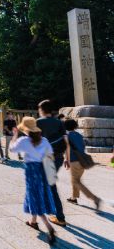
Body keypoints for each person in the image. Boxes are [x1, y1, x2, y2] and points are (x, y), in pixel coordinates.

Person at [9, 117, 56, 245]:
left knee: (34, 196)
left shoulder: (24, 140)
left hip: (30, 171)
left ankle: (49, 228)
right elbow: (50, 154)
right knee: (35, 194)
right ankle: (33, 221)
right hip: (41, 170)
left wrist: (14, 135)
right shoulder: (44, 140)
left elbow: (12, 149)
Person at [36, 99, 68, 227]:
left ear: (42, 110)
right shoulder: (59, 123)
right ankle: (52, 211)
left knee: (51, 186)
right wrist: (67, 158)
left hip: (46, 158)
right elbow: (66, 140)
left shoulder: (38, 122)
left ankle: (60, 217)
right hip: (59, 157)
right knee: (48, 184)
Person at [64, 119, 101, 208]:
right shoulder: (80, 136)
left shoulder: (67, 136)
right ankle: (73, 198)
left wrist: (66, 160)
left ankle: (95, 198)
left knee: (76, 181)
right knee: (76, 180)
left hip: (74, 161)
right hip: (82, 161)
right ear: (75, 126)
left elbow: (67, 149)